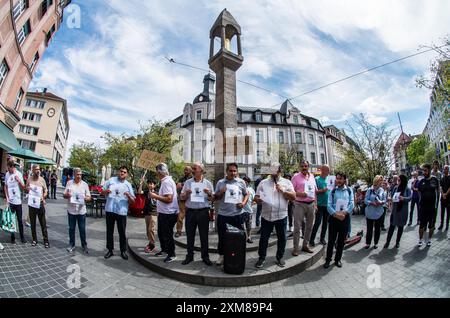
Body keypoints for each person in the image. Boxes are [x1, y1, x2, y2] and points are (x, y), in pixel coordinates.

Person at [254, 164, 296, 268]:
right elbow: (256, 197)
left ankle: (280, 257)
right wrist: (258, 200)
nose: (273, 173)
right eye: (271, 170)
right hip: (266, 216)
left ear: (279, 171)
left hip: (281, 216)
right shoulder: (263, 183)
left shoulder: (287, 182)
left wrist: (283, 190)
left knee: (282, 238)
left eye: (275, 170)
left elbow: (293, 197)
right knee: (264, 238)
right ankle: (261, 258)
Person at [213, 163, 248, 266]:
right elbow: (216, 197)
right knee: (222, 237)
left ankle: (237, 255)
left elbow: (246, 194)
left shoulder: (241, 182)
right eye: (230, 171)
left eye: (234, 171)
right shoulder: (220, 182)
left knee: (238, 237)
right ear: (226, 171)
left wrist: (243, 203)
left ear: (237, 171)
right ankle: (221, 255)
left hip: (237, 215)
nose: (233, 173)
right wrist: (221, 191)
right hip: (223, 215)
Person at [180, 162, 214, 265]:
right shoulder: (188, 183)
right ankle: (189, 256)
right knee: (190, 235)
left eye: (195, 168)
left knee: (204, 236)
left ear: (201, 171)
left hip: (203, 212)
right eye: (193, 168)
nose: (193, 169)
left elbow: (212, 199)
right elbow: (181, 197)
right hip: (190, 211)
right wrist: (186, 193)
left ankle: (205, 257)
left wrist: (208, 193)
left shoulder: (208, 183)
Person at [102, 166, 135, 260]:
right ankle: (110, 250)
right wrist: (106, 191)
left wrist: (129, 196)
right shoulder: (111, 181)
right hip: (110, 210)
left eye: (124, 172)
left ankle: (123, 251)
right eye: (121, 171)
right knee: (109, 231)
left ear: (127, 174)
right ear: (118, 172)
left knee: (122, 232)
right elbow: (102, 192)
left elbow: (133, 201)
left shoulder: (128, 185)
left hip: (121, 211)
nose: (122, 173)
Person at [324, 172, 354, 269]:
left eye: (340, 178)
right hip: (334, 219)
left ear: (344, 180)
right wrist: (336, 214)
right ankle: (328, 259)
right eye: (337, 178)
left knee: (341, 241)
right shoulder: (332, 191)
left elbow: (352, 204)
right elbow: (328, 205)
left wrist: (344, 214)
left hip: (345, 219)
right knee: (331, 241)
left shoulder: (349, 190)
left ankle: (338, 259)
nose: (338, 180)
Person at [151, 163, 179, 263]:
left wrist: (155, 196)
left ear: (160, 172)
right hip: (164, 213)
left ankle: (172, 254)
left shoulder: (167, 182)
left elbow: (169, 199)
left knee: (167, 234)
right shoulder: (165, 181)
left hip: (169, 213)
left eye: (157, 172)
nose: (156, 174)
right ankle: (165, 250)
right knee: (162, 233)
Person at [291, 160, 317, 255]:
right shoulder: (295, 177)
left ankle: (305, 245)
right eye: (302, 166)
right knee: (297, 227)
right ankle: (295, 248)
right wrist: (300, 194)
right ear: (299, 167)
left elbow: (314, 191)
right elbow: (291, 191)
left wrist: (316, 203)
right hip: (299, 204)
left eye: (306, 166)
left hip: (311, 204)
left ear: (308, 166)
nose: (304, 167)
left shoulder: (312, 176)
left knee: (309, 226)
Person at [63, 168, 91, 254]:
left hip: (81, 211)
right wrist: (67, 195)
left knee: (82, 229)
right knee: (71, 229)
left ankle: (84, 245)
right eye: (77, 174)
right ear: (74, 175)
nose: (79, 176)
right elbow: (64, 195)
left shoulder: (85, 184)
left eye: (80, 174)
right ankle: (72, 244)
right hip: (71, 210)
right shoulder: (69, 183)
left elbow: (89, 197)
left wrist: (87, 198)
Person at [384, 175, 411, 249]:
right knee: (392, 227)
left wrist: (403, 198)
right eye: (398, 180)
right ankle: (387, 242)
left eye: (399, 180)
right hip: (395, 211)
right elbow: (392, 197)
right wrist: (390, 199)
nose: (398, 182)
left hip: (403, 211)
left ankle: (397, 242)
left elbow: (409, 198)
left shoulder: (407, 189)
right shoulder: (396, 188)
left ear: (403, 181)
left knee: (400, 227)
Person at [4, 160, 27, 244]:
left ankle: (22, 237)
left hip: (18, 202)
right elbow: (5, 186)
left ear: (12, 167)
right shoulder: (7, 174)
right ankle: (12, 237)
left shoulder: (19, 174)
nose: (8, 170)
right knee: (11, 220)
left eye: (9, 168)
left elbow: (24, 187)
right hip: (11, 201)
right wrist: (7, 197)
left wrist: (19, 181)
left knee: (20, 220)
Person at [26, 164, 49, 248]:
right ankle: (34, 239)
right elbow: (26, 188)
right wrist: (27, 189)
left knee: (43, 223)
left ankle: (46, 241)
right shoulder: (29, 179)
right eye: (36, 169)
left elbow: (46, 190)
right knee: (33, 223)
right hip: (32, 205)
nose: (38, 171)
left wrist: (44, 196)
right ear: (32, 170)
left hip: (40, 204)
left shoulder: (42, 180)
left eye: (39, 169)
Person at [417, 164, 440, 247]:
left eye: (425, 170)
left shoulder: (435, 180)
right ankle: (420, 239)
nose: (424, 172)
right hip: (423, 208)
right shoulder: (421, 181)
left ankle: (429, 239)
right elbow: (419, 192)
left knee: (431, 225)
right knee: (421, 225)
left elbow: (438, 191)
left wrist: (436, 204)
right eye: (423, 170)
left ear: (430, 170)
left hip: (432, 208)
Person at [364, 175, 387, 249]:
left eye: (382, 180)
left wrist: (381, 202)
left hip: (379, 212)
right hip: (370, 212)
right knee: (369, 228)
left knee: (377, 228)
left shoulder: (382, 190)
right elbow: (365, 200)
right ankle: (368, 243)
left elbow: (384, 200)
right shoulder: (369, 190)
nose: (382, 182)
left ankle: (376, 243)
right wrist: (371, 203)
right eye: (380, 180)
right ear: (376, 181)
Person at [310, 165, 330, 246]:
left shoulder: (329, 179)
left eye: (329, 170)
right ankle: (312, 239)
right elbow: (314, 192)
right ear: (322, 170)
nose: (328, 171)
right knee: (317, 222)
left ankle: (322, 238)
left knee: (325, 223)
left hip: (327, 205)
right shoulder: (316, 179)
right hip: (319, 205)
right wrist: (322, 190)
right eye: (327, 170)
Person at [138, 175, 158, 254]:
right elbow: (139, 192)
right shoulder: (146, 192)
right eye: (149, 183)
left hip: (154, 213)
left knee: (151, 229)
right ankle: (150, 243)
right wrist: (141, 183)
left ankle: (152, 244)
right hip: (146, 213)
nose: (150, 185)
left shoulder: (157, 193)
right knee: (147, 230)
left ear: (154, 185)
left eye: (152, 183)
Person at [175, 166, 193, 237]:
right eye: (184, 170)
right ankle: (178, 231)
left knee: (191, 217)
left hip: (191, 200)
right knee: (180, 217)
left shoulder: (193, 178)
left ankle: (190, 231)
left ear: (190, 171)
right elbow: (178, 187)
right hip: (182, 200)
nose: (185, 171)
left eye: (187, 170)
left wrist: (182, 185)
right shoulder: (181, 178)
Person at [242, 176, 256, 244]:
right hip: (240, 211)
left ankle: (249, 237)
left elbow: (254, 200)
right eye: (244, 181)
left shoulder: (251, 190)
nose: (245, 182)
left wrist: (251, 203)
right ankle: (242, 238)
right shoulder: (239, 188)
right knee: (241, 226)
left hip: (249, 211)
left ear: (248, 183)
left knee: (249, 226)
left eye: (246, 182)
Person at [438, 165, 450, 231]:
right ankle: (441, 224)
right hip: (443, 197)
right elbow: (440, 186)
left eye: (446, 169)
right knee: (442, 212)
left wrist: (446, 194)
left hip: (448, 198)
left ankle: (447, 225)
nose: (445, 170)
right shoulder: (442, 178)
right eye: (444, 169)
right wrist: (442, 194)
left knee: (448, 212)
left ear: (448, 170)